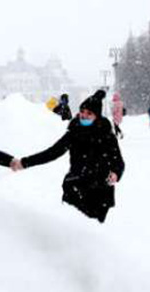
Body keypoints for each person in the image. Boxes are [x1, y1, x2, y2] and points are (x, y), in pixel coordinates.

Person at [12, 90, 124, 224]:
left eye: (89, 113)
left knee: (93, 233)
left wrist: (116, 174)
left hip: (100, 189)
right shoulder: (74, 132)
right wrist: (25, 163)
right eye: (82, 111)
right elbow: (53, 152)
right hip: (76, 185)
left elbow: (118, 161)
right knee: (71, 228)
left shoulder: (106, 135)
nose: (84, 116)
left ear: (97, 116)